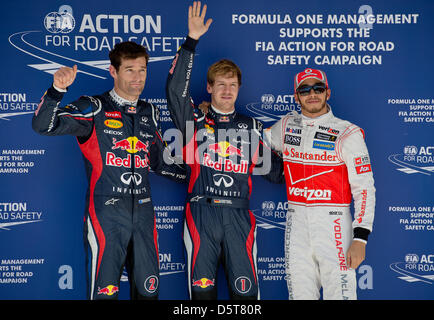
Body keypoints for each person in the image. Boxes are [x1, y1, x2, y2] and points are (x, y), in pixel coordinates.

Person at [32, 41, 186, 300]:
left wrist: (202, 175)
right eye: (129, 70)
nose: (138, 78)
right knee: (105, 295)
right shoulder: (93, 107)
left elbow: (161, 162)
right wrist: (57, 90)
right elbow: (43, 126)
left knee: (148, 294)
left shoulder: (150, 112)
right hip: (106, 216)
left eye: (142, 70)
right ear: (112, 71)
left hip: (145, 218)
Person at [166, 1, 283, 300]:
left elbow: (278, 173)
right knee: (201, 299)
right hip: (201, 214)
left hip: (239, 218)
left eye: (232, 85)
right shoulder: (193, 121)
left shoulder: (251, 126)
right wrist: (191, 41)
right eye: (220, 84)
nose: (227, 90)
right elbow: (175, 91)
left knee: (246, 297)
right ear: (209, 87)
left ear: (239, 88)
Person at [264, 68, 376, 300]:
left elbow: (365, 188)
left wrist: (360, 238)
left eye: (318, 88)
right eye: (305, 89)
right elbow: (252, 141)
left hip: (334, 223)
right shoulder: (285, 126)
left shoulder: (347, 132)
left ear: (328, 93)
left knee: (341, 295)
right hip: (296, 223)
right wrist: (214, 117)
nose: (312, 94)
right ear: (296, 96)